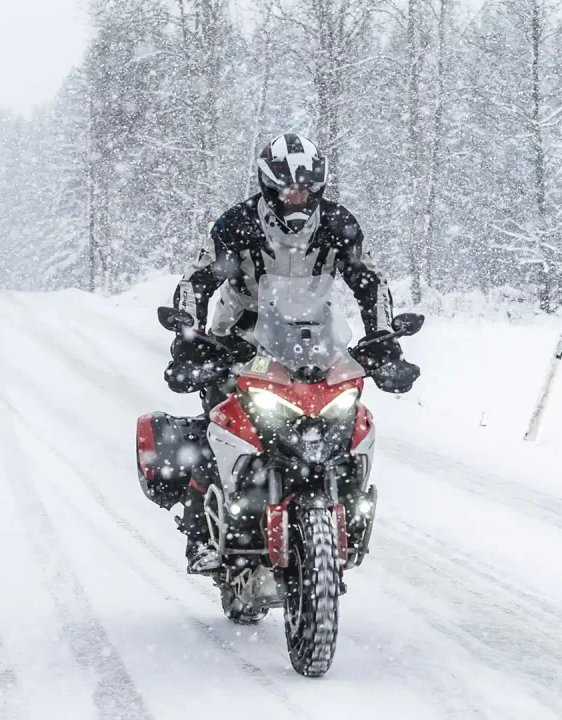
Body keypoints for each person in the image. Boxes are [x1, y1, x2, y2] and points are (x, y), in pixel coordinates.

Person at [166, 132, 418, 572]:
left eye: (305, 189)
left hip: (315, 340)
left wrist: (384, 342)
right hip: (240, 339)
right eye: (287, 188)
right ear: (268, 186)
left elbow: (369, 283)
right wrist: (189, 338)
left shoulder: (339, 225)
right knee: (217, 425)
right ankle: (200, 534)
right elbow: (198, 280)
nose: (296, 198)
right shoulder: (236, 225)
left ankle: (346, 505)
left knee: (344, 418)